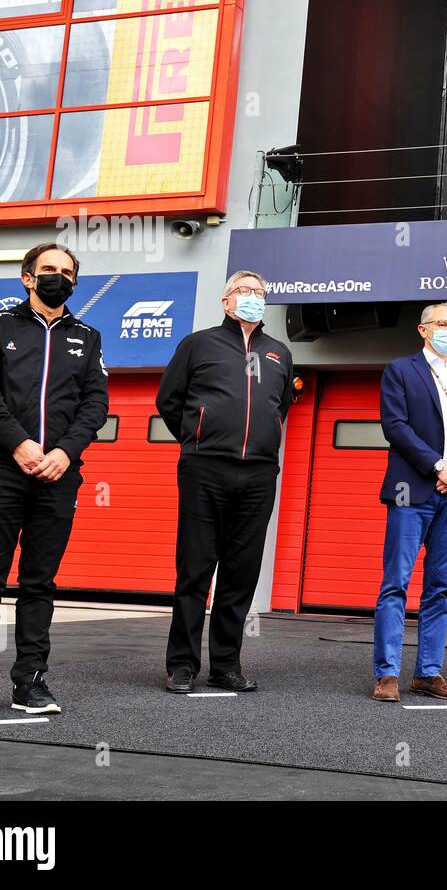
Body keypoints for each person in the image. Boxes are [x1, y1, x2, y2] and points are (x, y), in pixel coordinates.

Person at [0, 243, 109, 719]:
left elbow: (95, 404)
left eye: (67, 271)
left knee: (40, 582)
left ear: (75, 281)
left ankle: (30, 682)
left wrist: (64, 452)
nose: (58, 276)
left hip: (59, 474)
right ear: (27, 278)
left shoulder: (88, 336)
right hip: (2, 469)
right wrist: (18, 444)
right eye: (48, 269)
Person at [155, 270, 296, 694]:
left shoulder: (279, 353)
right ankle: (182, 665)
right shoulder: (199, 344)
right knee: (195, 570)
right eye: (243, 291)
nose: (252, 297)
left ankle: (225, 666)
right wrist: (198, 437)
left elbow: (280, 406)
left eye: (259, 292)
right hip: (205, 469)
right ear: (225, 301)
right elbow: (169, 399)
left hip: (257, 474)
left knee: (241, 572)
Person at [371, 302, 447, 702]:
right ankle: (387, 674)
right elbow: (395, 426)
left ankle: (428, 673)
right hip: (412, 492)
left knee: (439, 587)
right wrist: (439, 466)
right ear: (423, 330)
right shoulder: (401, 370)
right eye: (442, 324)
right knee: (396, 584)